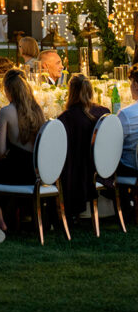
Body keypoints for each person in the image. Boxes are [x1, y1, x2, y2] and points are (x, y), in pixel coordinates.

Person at [0, 68, 45, 231]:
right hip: (37, 171)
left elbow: (0, 151)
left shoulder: (7, 111)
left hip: (19, 173)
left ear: (8, 90)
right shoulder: (38, 110)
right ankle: (9, 215)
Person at [58, 74, 109, 219]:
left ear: (71, 92)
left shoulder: (66, 118)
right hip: (103, 170)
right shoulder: (104, 112)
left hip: (79, 173)